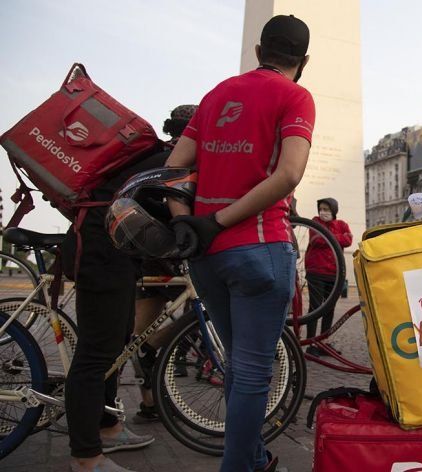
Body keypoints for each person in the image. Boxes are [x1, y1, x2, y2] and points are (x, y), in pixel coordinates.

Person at [164, 14, 314, 472]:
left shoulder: (217, 94)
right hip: (260, 247)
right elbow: (289, 173)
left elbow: (173, 168)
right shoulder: (295, 96)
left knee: (236, 364)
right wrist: (221, 221)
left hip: (207, 255)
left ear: (259, 52)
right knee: (251, 372)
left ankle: (254, 459)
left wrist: (187, 222)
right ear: (304, 61)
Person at [63, 150, 170, 471]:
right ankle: (86, 457)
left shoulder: (159, 157)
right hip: (102, 250)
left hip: (115, 251)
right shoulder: (172, 161)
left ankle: (107, 426)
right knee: (96, 354)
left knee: (116, 346)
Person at [132, 104, 198, 424]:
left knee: (139, 336)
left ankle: (149, 403)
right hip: (171, 257)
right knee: (205, 313)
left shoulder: (157, 157)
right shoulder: (186, 161)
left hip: (147, 256)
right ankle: (149, 391)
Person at [304, 198, 353, 354]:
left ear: (334, 210)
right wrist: (337, 238)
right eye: (321, 209)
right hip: (316, 272)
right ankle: (311, 344)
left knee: (329, 309)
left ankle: (324, 343)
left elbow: (348, 240)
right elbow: (316, 239)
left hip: (334, 273)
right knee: (315, 308)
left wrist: (329, 236)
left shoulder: (342, 224)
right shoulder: (315, 222)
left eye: (326, 209)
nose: (323, 212)